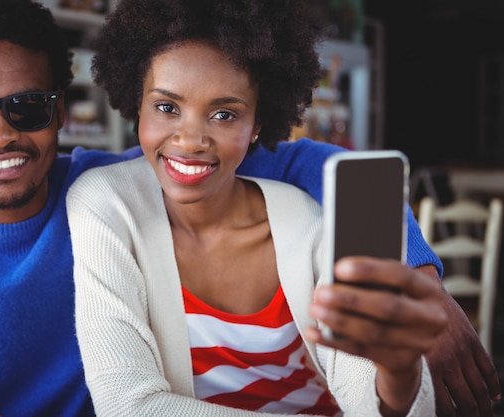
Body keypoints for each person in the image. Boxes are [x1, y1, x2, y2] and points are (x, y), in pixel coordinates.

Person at [0, 0, 497, 416]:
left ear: (61, 112)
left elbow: (310, 163)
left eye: (26, 108)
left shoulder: (112, 183)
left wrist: (415, 275)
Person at [66, 0, 445, 415]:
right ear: (136, 103)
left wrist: (399, 374)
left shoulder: (308, 224)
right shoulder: (105, 205)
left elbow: (370, 399)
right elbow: (128, 406)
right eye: (166, 107)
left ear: (257, 125)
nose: (191, 139)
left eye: (224, 114)